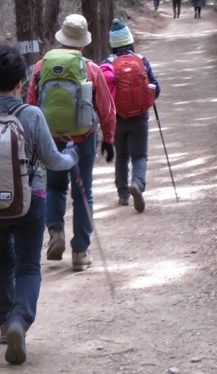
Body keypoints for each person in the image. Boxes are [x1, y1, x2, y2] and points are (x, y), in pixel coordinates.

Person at [0, 44, 79, 365]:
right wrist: (71, 156)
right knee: (28, 266)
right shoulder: (31, 115)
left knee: (1, 260)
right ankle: (19, 321)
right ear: (21, 82)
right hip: (31, 200)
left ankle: (3, 324)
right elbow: (54, 161)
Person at [27, 14, 116, 272]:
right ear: (82, 42)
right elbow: (107, 109)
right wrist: (109, 139)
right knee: (82, 193)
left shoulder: (40, 67)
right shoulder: (91, 69)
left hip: (51, 138)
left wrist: (34, 140)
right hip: (82, 139)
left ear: (62, 38)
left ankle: (55, 231)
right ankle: (80, 252)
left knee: (55, 188)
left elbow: (31, 106)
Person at [99, 19, 160, 213]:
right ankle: (138, 184)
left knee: (122, 156)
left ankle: (123, 194)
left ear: (112, 43)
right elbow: (156, 89)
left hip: (118, 118)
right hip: (139, 117)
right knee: (140, 155)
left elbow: (103, 93)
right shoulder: (141, 60)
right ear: (130, 41)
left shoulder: (107, 64)